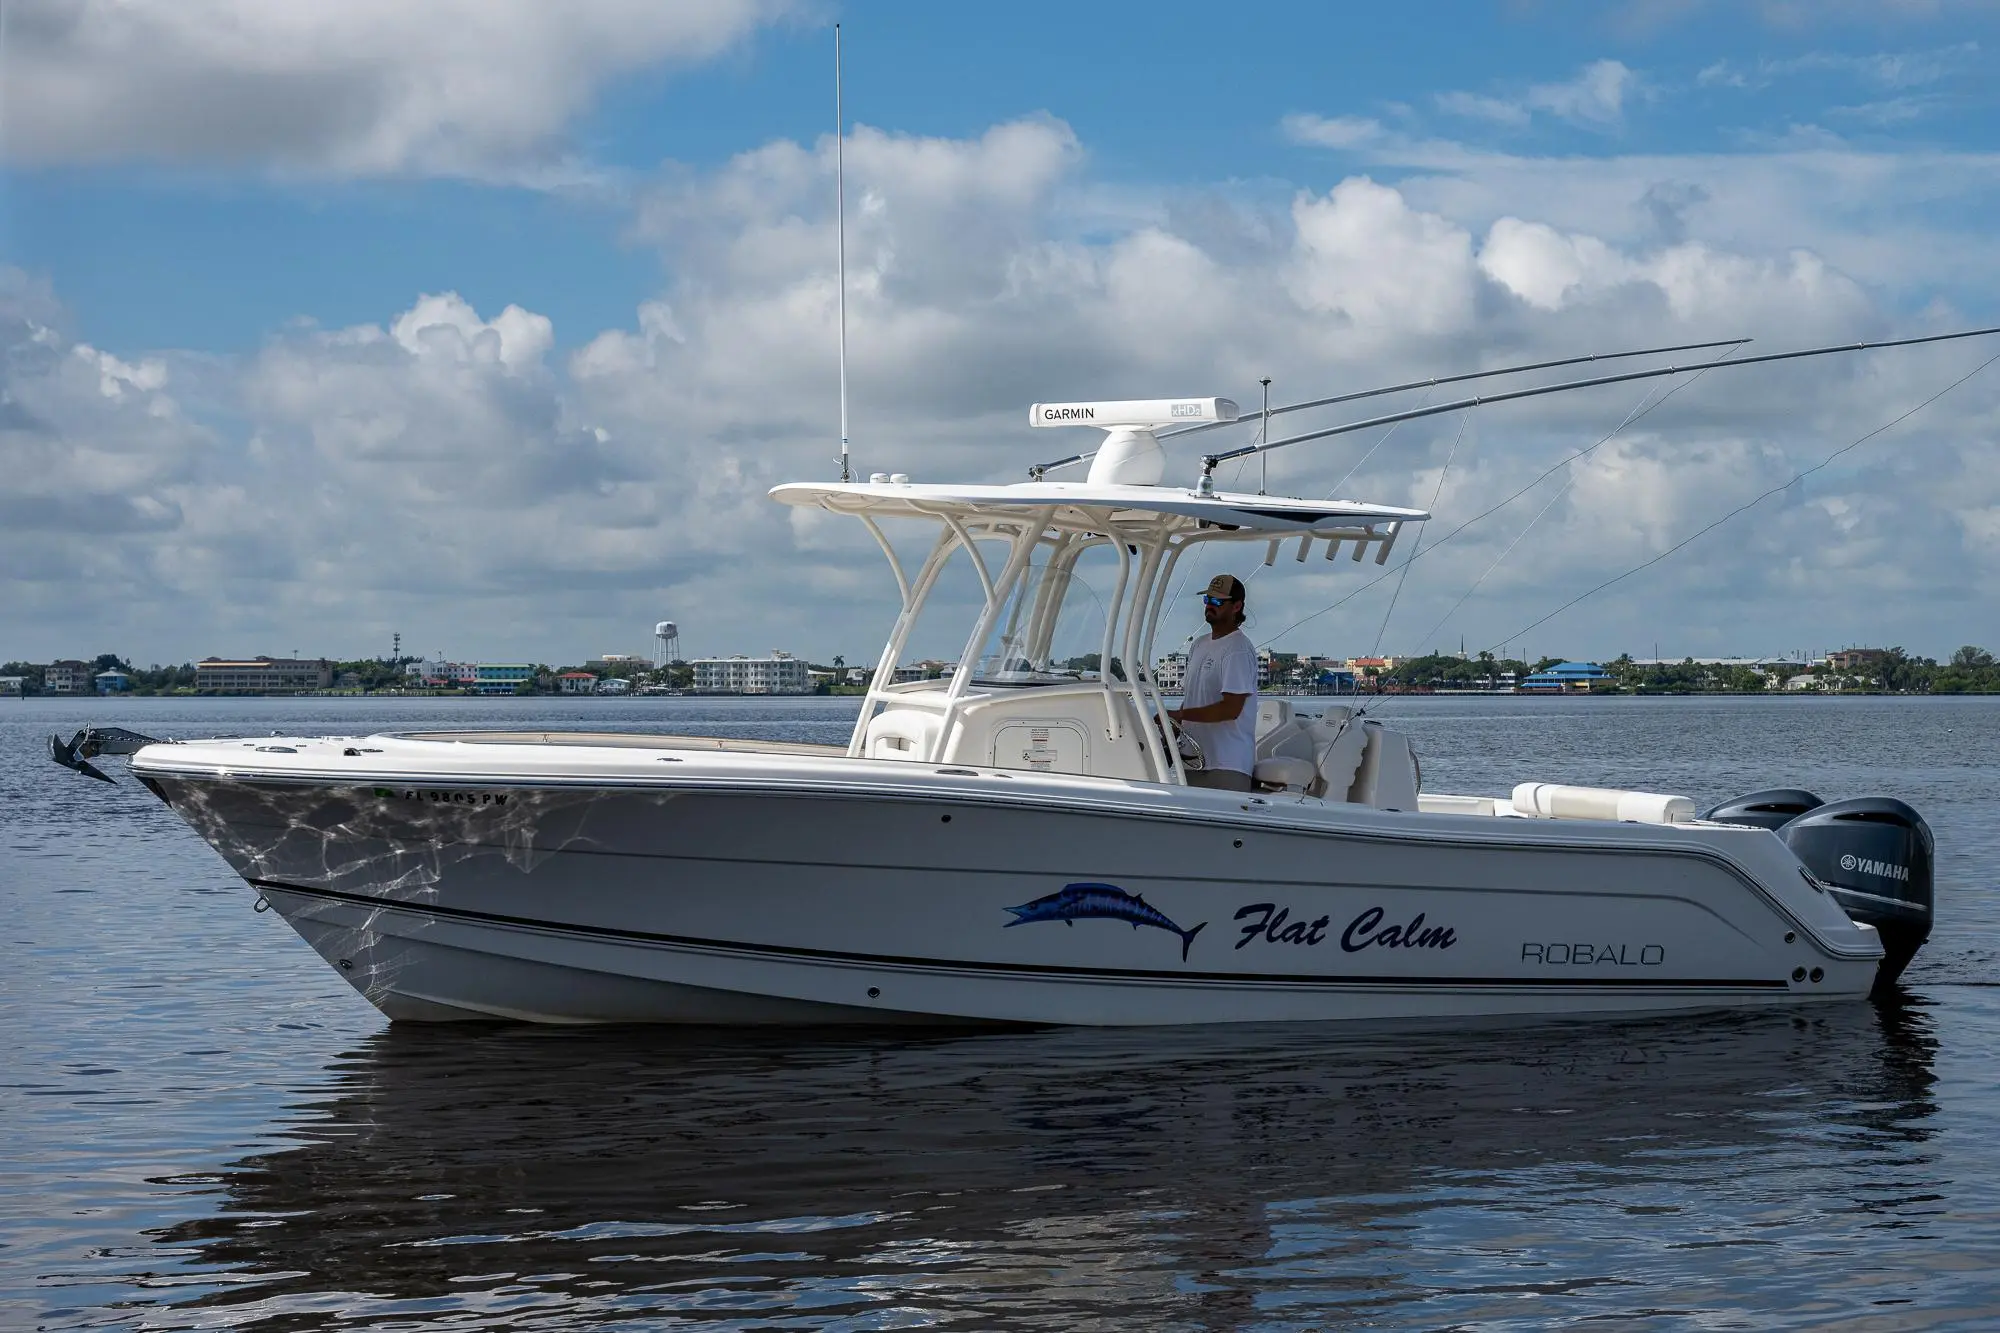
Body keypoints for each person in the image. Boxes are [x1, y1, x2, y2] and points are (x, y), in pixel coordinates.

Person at [1167, 574, 1258, 791]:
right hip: (1193, 762)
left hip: (1227, 766)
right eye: (1207, 600)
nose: (1209, 606)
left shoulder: (1237, 649)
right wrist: (1174, 725)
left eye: (1217, 602)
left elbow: (1231, 709)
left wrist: (1180, 716)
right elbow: (1191, 700)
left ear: (1237, 606)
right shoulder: (1198, 645)